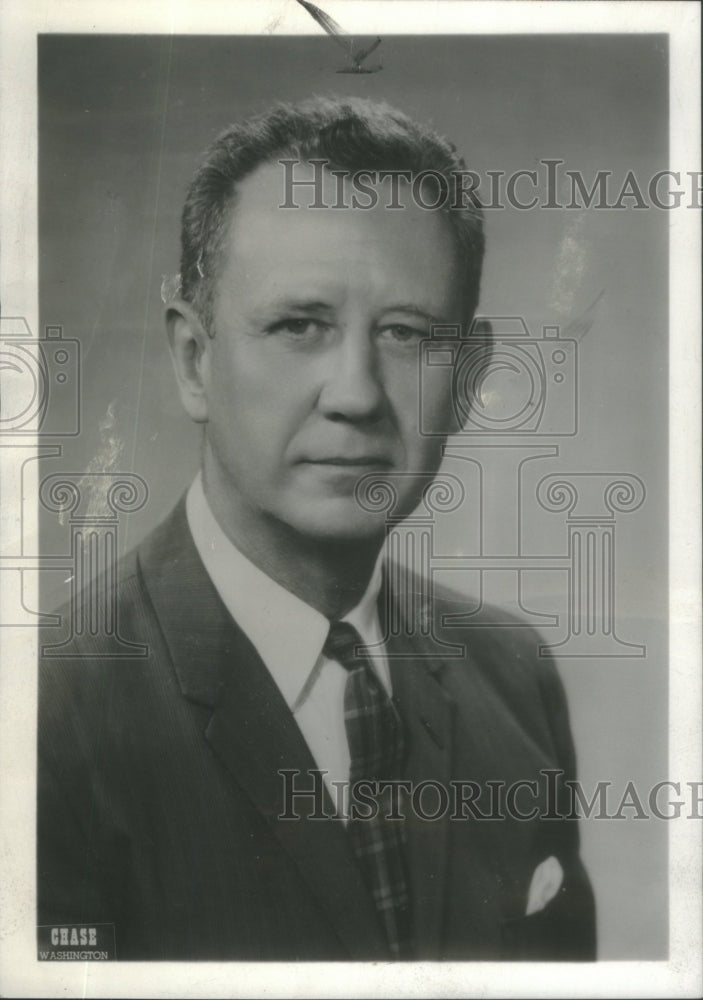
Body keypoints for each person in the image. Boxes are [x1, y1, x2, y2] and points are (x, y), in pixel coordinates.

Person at [37, 96, 595, 961]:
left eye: (407, 334)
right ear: (194, 360)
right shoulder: (42, 714)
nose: (355, 394)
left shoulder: (513, 673)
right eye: (300, 326)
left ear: (468, 374)